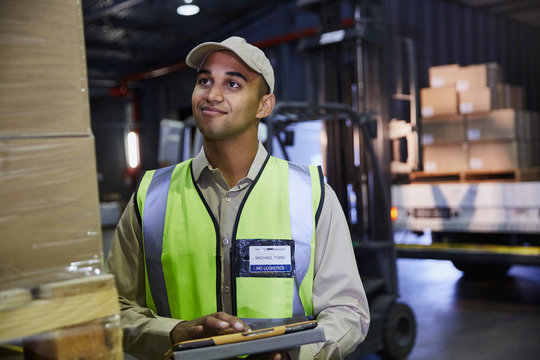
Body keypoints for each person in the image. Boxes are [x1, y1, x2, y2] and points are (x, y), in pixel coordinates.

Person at [106, 36, 369, 360]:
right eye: (205, 80)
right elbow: (112, 310)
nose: (211, 95)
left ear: (264, 105)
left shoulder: (311, 194)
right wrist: (174, 333)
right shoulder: (151, 198)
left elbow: (348, 309)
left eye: (232, 83)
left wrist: (292, 354)